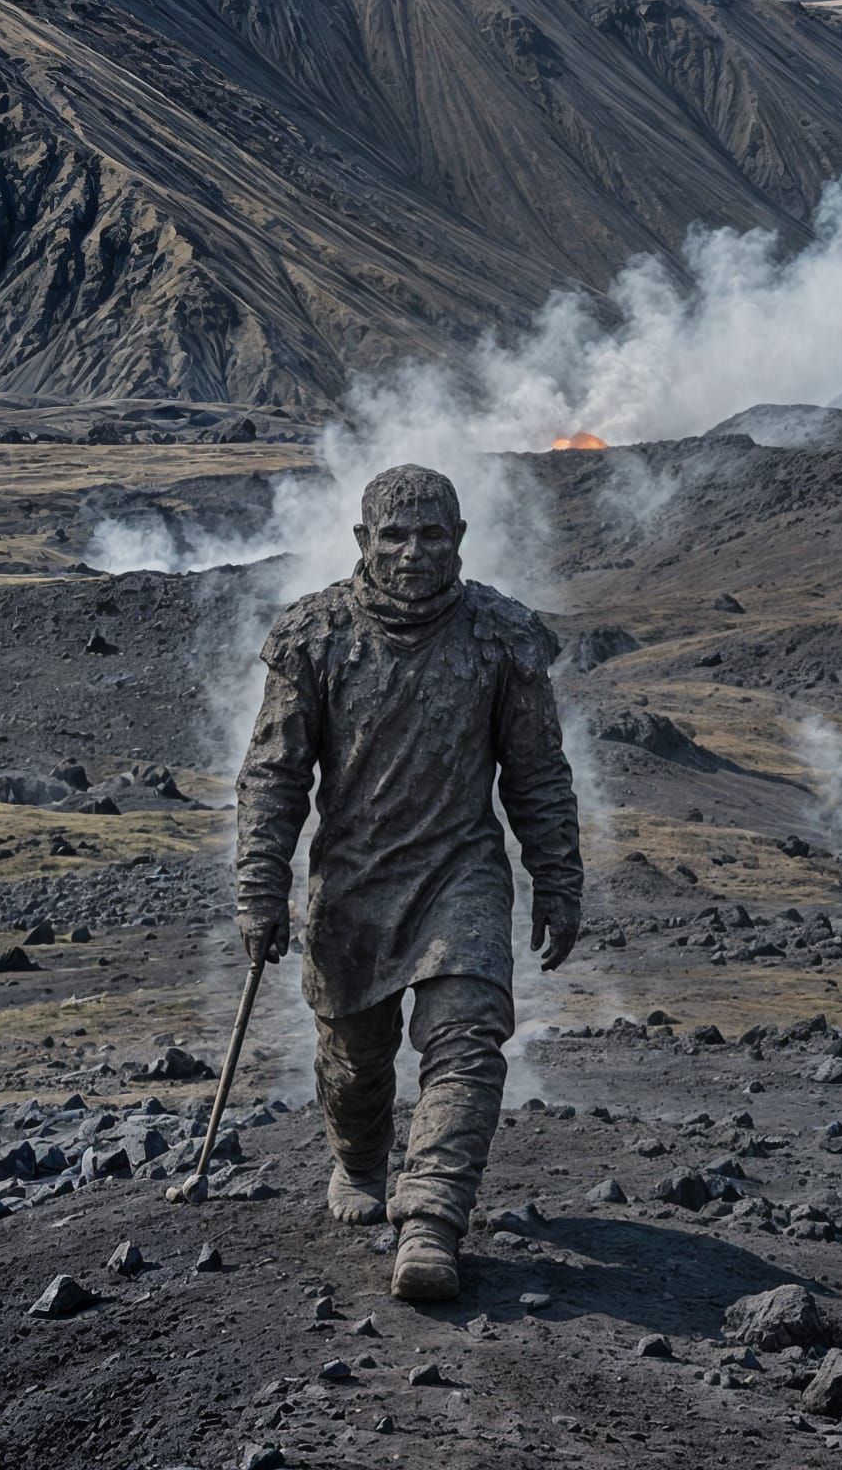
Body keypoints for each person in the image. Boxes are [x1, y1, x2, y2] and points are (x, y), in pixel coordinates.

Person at [235, 463, 582, 1300]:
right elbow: (274, 774)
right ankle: (359, 1161)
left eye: (432, 535)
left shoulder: (501, 639)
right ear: (363, 541)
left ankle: (429, 1220)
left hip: (459, 874)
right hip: (352, 882)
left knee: (466, 1040)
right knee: (356, 1065)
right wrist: (260, 885)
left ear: (459, 541)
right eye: (394, 535)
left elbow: (536, 774)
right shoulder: (314, 640)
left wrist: (558, 876)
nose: (413, 551)